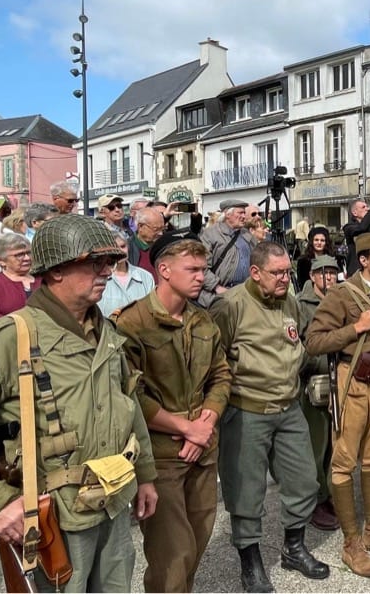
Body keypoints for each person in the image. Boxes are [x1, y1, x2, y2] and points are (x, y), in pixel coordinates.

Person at [0, 214, 158, 592]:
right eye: (94, 262)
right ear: (56, 271)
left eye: (110, 262)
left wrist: (144, 474)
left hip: (112, 506)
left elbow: (127, 405)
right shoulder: (6, 338)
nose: (106, 272)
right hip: (52, 518)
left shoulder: (106, 332)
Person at [114, 232, 232, 592]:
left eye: (204, 269)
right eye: (192, 269)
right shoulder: (132, 323)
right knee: (171, 552)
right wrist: (186, 427)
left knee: (196, 541)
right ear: (164, 270)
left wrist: (206, 421)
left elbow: (221, 375)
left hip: (202, 449)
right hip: (161, 455)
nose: (201, 276)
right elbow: (130, 394)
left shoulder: (203, 321)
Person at [211, 241, 331, 590]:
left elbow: (298, 345)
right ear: (255, 272)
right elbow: (214, 361)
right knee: (246, 494)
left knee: (306, 482)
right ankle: (251, 566)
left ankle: (294, 549)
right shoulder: (230, 306)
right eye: (277, 273)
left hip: (288, 407)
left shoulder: (289, 301)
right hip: (247, 411)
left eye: (287, 272)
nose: (284, 279)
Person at [304, 228, 370, 578]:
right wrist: (354, 330)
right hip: (351, 383)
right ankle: (352, 543)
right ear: (363, 261)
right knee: (344, 461)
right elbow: (314, 342)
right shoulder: (341, 295)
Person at [296, 255, 341, 532]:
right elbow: (299, 343)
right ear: (312, 276)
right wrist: (314, 363)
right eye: (324, 273)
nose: (330, 278)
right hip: (315, 381)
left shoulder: (340, 298)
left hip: (340, 378)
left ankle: (330, 494)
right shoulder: (302, 305)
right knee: (317, 444)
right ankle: (315, 499)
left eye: (334, 273)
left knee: (336, 445)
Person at [199, 200, 257, 307]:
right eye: (240, 213)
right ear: (227, 214)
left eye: (244, 213)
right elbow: (201, 267)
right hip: (220, 296)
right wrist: (217, 287)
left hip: (245, 294)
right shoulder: (210, 234)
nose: (244, 216)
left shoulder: (247, 235)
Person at [98, 236, 155, 317]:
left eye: (123, 246)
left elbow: (152, 309)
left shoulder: (145, 276)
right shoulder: (100, 278)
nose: (120, 251)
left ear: (128, 247)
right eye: (115, 248)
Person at [296, 226, 343, 291]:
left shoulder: (335, 258)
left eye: (322, 240)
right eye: (316, 240)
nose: (319, 243)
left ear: (326, 242)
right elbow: (302, 284)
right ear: (311, 242)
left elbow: (340, 279)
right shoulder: (303, 261)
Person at [127, 207, 166, 281]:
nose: (160, 233)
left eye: (162, 229)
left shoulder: (166, 245)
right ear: (140, 226)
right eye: (156, 229)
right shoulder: (128, 249)